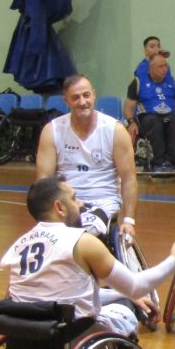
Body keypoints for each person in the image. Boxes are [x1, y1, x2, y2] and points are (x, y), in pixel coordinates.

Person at [1, 176, 175, 334]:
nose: (81, 204)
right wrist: (174, 259)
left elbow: (51, 297)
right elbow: (136, 286)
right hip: (69, 337)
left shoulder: (17, 247)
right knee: (125, 311)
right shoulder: (83, 242)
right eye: (74, 198)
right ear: (60, 207)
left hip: (26, 338)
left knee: (124, 297)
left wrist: (126, 294)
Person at [36, 74, 138, 240]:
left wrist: (129, 221)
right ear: (66, 101)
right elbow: (43, 181)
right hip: (67, 203)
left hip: (104, 203)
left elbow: (129, 178)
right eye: (75, 97)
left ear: (94, 95)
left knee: (85, 233)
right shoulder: (51, 131)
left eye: (86, 95)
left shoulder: (115, 130)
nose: (82, 102)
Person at [124, 53, 175, 173]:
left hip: (168, 116)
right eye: (161, 66)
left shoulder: (172, 82)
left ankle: (171, 161)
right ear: (151, 68)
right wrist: (131, 123)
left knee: (173, 123)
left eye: (165, 66)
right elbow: (128, 107)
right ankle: (158, 162)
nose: (165, 69)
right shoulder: (138, 83)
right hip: (147, 119)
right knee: (155, 123)